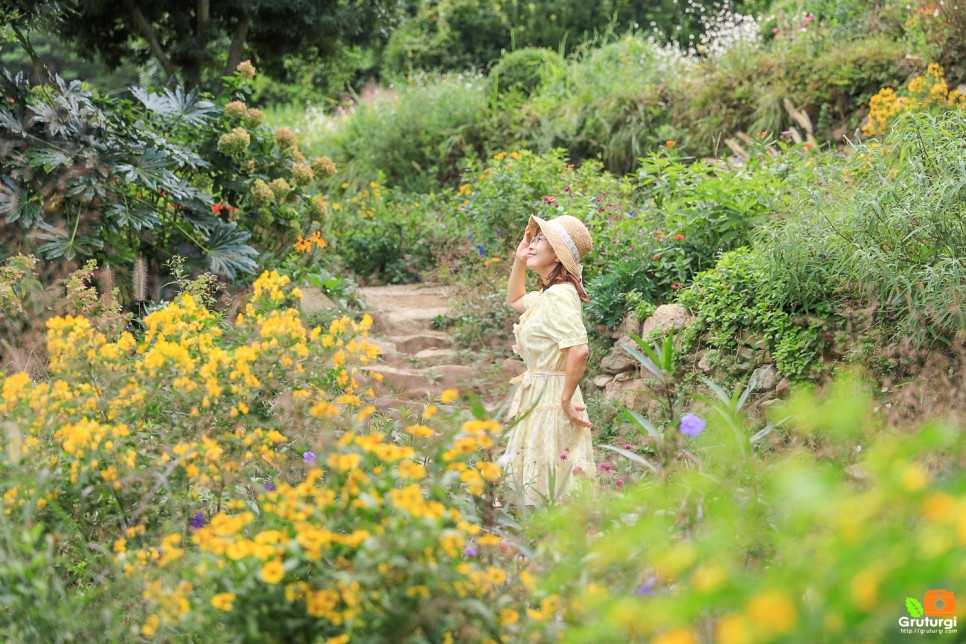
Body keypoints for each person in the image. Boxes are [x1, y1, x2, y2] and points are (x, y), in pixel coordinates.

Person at [500, 213, 596, 505]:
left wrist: (565, 400)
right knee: (539, 482)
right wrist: (519, 260)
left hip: (552, 399)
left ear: (557, 255)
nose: (533, 243)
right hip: (539, 396)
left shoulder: (560, 296)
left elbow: (578, 349)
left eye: (541, 240)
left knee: (550, 487)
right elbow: (515, 300)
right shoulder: (547, 295)